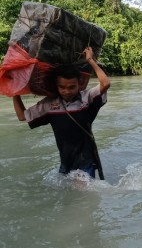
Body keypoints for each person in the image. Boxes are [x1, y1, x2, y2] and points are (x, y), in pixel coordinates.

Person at [13, 46, 110, 178]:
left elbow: (105, 83)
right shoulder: (49, 105)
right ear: (56, 86)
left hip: (86, 161)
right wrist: (15, 92)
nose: (67, 91)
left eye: (72, 87)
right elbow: (21, 116)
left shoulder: (87, 98)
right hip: (66, 164)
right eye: (62, 87)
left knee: (83, 196)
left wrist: (90, 60)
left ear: (79, 85)